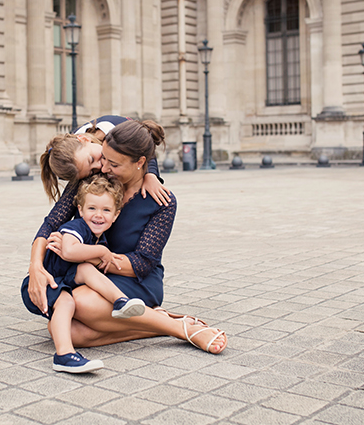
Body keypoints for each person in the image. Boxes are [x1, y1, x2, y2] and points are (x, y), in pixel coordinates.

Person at [25, 119, 227, 356]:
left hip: (137, 280)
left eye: (114, 164)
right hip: (97, 277)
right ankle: (156, 322)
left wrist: (87, 257)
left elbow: (143, 263)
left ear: (141, 163)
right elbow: (52, 222)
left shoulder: (162, 201)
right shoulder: (95, 182)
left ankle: (180, 329)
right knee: (64, 331)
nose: (105, 168)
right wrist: (36, 266)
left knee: (78, 302)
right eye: (104, 160)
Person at [21, 174, 146, 373]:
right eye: (92, 208)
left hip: (67, 276)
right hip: (47, 282)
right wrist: (103, 252)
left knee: (86, 269)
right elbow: (69, 251)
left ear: (116, 215)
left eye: (106, 210)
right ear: (80, 210)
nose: (98, 215)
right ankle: (64, 355)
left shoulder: (99, 237)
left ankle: (121, 302)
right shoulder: (77, 227)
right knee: (66, 301)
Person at [39, 115, 171, 206]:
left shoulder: (118, 128)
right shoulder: (72, 161)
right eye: (92, 172)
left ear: (84, 139)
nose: (101, 167)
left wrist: (151, 175)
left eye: (92, 160)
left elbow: (144, 145)